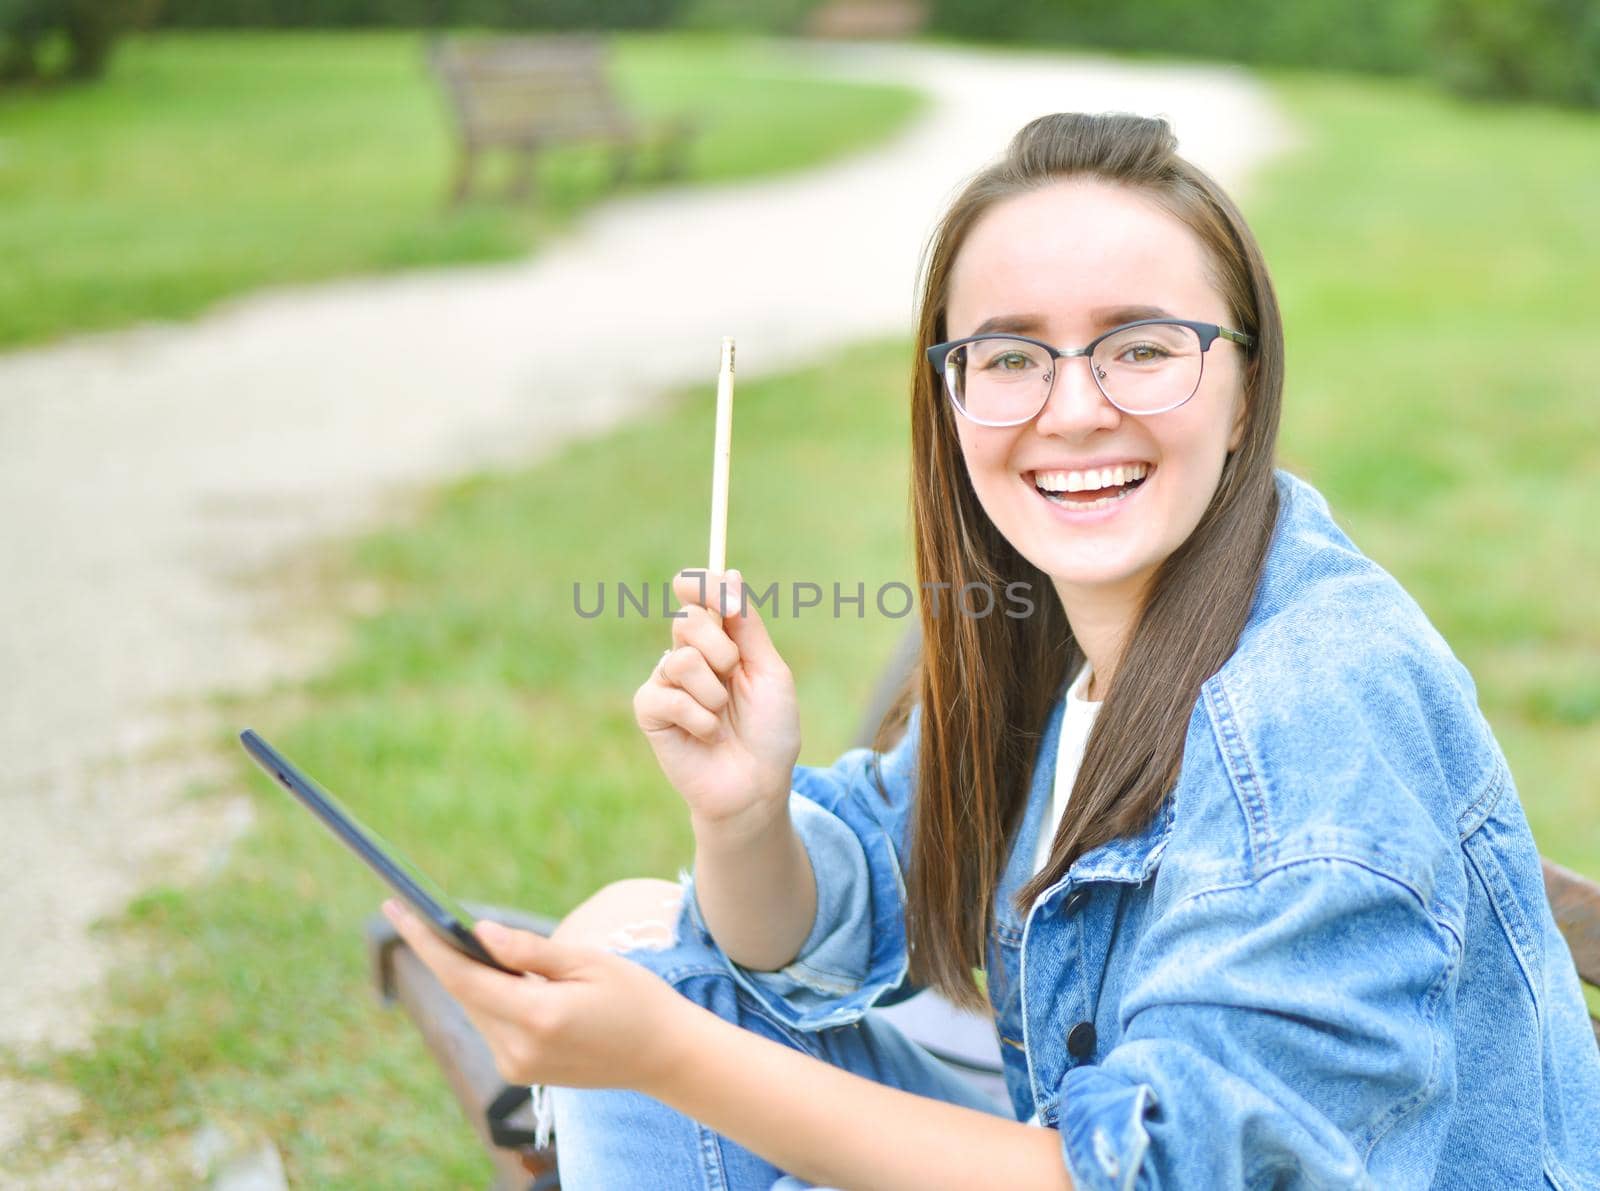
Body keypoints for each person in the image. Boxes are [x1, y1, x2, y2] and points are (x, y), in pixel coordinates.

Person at [384, 112, 1600, 1188]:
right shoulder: (1049, 639)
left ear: (1244, 384)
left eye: (1141, 346)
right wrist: (743, 812)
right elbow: (815, 925)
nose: (1072, 409)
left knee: (657, 1025)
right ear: (951, 395)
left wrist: (663, 1056)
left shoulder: (1317, 700)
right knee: (643, 948)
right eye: (1010, 357)